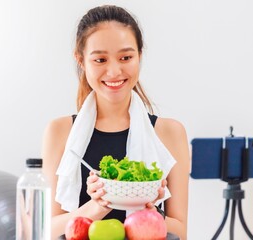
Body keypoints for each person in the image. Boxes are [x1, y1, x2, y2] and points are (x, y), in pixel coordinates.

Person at [42, 5, 190, 239]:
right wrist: (98, 205)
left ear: (140, 55)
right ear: (81, 60)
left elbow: (181, 230)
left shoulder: (170, 132)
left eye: (126, 57)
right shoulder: (60, 132)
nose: (114, 71)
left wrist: (147, 209)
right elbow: (47, 229)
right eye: (100, 59)